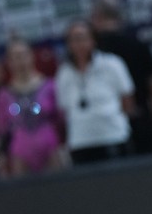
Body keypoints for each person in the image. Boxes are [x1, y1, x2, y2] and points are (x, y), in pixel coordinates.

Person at [90, 0, 152, 154]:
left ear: (97, 18)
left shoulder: (91, 53)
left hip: (105, 128)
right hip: (141, 120)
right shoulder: (139, 45)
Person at [55, 20, 135, 165]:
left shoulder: (111, 64)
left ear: (93, 40)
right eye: (73, 39)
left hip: (112, 135)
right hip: (80, 141)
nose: (78, 44)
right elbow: (64, 108)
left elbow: (127, 99)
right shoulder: (64, 72)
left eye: (82, 38)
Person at [0, 39, 63, 176]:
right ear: (8, 62)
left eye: (23, 55)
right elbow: (0, 130)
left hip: (49, 146)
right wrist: (0, 157)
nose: (20, 61)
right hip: (20, 151)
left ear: (31, 56)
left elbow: (61, 119)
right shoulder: (3, 95)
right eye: (15, 57)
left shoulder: (50, 86)